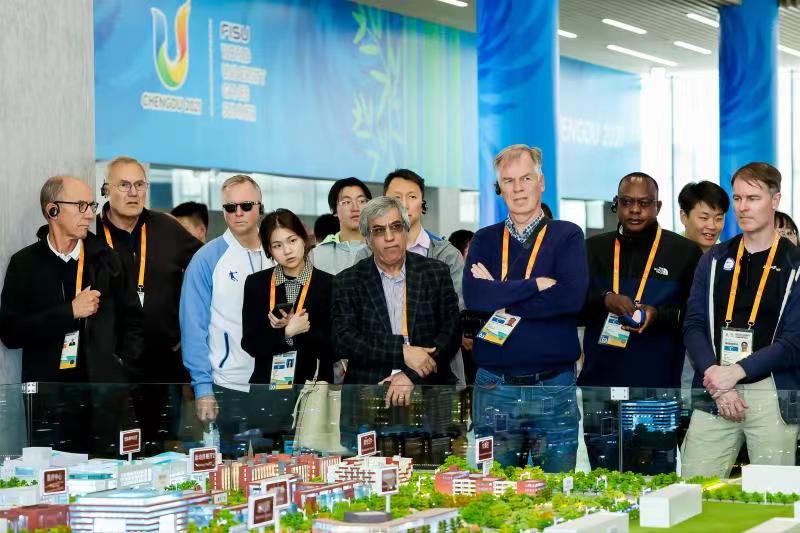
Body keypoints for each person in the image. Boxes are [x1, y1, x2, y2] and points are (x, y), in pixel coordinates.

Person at [463, 144, 588, 471]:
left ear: (541, 182)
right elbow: (475, 297)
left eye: (526, 178)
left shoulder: (567, 235)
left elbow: (570, 298)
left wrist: (500, 295)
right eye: (509, 181)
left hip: (553, 386)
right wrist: (535, 285)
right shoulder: (484, 240)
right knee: (494, 489)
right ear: (500, 188)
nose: (518, 188)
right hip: (495, 387)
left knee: (556, 490)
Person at [0, 176, 143, 452]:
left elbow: (133, 322)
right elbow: (10, 332)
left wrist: (120, 369)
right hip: (49, 403)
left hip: (103, 399)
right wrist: (69, 312)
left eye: (91, 205)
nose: (89, 214)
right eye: (80, 205)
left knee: (108, 472)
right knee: (55, 475)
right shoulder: (24, 264)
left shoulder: (107, 260)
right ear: (52, 210)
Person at [681, 162, 800, 479]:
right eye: (737, 198)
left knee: (772, 495)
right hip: (714, 387)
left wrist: (735, 373)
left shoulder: (794, 264)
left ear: (775, 200)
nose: (743, 207)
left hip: (771, 391)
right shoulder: (715, 258)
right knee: (693, 488)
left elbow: (793, 341)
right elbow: (693, 324)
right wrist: (717, 377)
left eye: (753, 198)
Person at [577, 173, 702, 472]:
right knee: (604, 480)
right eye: (627, 202)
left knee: (655, 482)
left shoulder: (684, 252)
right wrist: (605, 299)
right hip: (601, 388)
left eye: (644, 203)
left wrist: (657, 315)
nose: (635, 210)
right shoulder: (592, 249)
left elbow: (695, 317)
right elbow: (574, 308)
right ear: (616, 204)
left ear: (658, 206)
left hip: (656, 389)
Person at [98, 156, 203, 451]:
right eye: (124, 185)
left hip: (163, 365)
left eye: (140, 185)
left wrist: (190, 328)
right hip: (110, 366)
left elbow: (207, 270)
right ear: (106, 189)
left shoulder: (166, 227)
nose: (133, 193)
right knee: (113, 449)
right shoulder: (91, 231)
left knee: (162, 450)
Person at [332, 196, 461, 393]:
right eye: (378, 230)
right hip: (369, 388)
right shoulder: (348, 281)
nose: (389, 237)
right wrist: (401, 351)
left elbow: (451, 332)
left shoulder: (435, 272)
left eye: (396, 227)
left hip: (428, 386)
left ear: (406, 230)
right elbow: (343, 339)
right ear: (367, 239)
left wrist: (412, 376)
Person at [180, 175, 272, 449]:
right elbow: (193, 327)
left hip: (276, 383)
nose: (238, 213)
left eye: (246, 205)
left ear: (260, 206)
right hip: (227, 384)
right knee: (230, 468)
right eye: (230, 207)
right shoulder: (207, 259)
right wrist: (203, 388)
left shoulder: (278, 252)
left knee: (279, 466)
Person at [355, 169, 467, 386]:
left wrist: (415, 370)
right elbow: (361, 325)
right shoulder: (365, 255)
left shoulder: (445, 254)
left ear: (422, 202)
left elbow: (453, 321)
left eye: (412, 196)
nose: (404, 204)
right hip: (379, 373)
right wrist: (400, 352)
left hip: (436, 373)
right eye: (397, 197)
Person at [242, 209, 335, 439]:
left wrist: (304, 330)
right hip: (268, 393)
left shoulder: (329, 284)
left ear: (304, 239)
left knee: (313, 456)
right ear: (269, 250)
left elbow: (335, 346)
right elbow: (250, 343)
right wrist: (286, 332)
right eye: (277, 245)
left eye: (292, 240)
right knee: (266, 458)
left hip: (313, 391)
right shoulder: (256, 284)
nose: (287, 250)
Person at [311, 177, 372, 275]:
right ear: (333, 210)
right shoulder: (317, 255)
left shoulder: (382, 246)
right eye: (347, 202)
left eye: (361, 201)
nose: (355, 208)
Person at [678, 181, 730, 252]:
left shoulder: (727, 255)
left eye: (719, 218)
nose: (712, 226)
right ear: (684, 217)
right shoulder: (668, 251)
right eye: (704, 218)